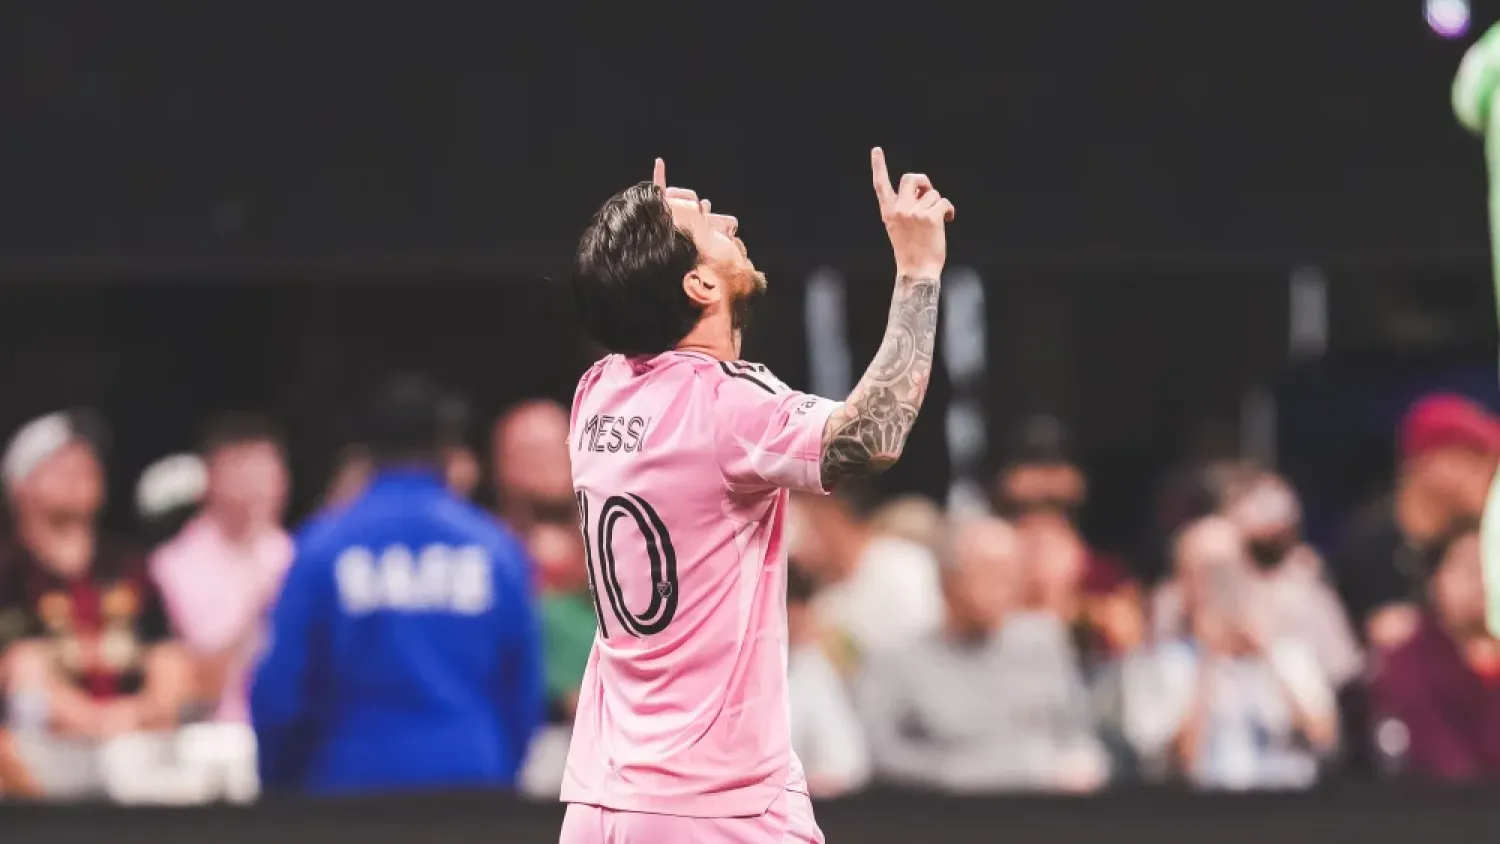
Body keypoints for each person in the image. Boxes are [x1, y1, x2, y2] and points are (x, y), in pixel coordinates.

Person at [558, 151, 952, 844]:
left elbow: (632, 313)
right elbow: (871, 438)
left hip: (600, 803)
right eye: (708, 224)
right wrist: (918, 273)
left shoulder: (599, 391)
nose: (730, 221)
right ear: (700, 283)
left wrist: (645, 242)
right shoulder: (727, 403)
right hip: (713, 806)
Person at [250, 374, 543, 794]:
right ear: (446, 448)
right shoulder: (495, 549)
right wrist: (501, 771)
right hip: (471, 782)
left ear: (365, 451)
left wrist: (280, 787)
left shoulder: (323, 547)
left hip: (349, 786)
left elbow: (281, 691)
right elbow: (523, 688)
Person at [0, 411, 193, 799]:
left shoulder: (130, 567)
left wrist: (136, 715)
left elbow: (171, 656)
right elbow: (16, 668)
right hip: (35, 760)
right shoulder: (9, 572)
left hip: (137, 747)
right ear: (20, 485)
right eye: (60, 465)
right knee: (26, 663)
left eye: (85, 462)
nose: (78, 472)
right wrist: (90, 721)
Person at [859, 516, 1108, 793]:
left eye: (1011, 574)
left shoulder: (1043, 641)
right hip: (946, 807)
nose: (1004, 587)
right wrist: (951, 773)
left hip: (1042, 803)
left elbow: (1078, 732)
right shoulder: (898, 659)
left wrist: (1080, 762)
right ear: (947, 581)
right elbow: (879, 752)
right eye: (990, 573)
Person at [1124, 517, 1337, 790]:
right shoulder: (1166, 664)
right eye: (1206, 574)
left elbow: (1323, 740)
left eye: (1228, 571)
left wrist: (1266, 656)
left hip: (1287, 804)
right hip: (1207, 808)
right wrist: (1208, 659)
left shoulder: (1290, 655)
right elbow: (1180, 762)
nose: (1219, 586)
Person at [151, 413, 293, 725]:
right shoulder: (173, 565)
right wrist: (263, 605)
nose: (255, 489)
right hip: (211, 734)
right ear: (209, 480)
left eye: (264, 474)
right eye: (242, 474)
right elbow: (200, 682)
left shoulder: (296, 555)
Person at [1328, 394, 1500, 650]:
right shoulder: (1368, 545)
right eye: (1475, 461)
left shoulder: (1470, 537)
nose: (1489, 474)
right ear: (1433, 462)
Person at [1367, 523, 1500, 781]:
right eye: (1471, 569)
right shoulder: (1407, 664)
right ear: (1435, 579)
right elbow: (1446, 765)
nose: (1484, 583)